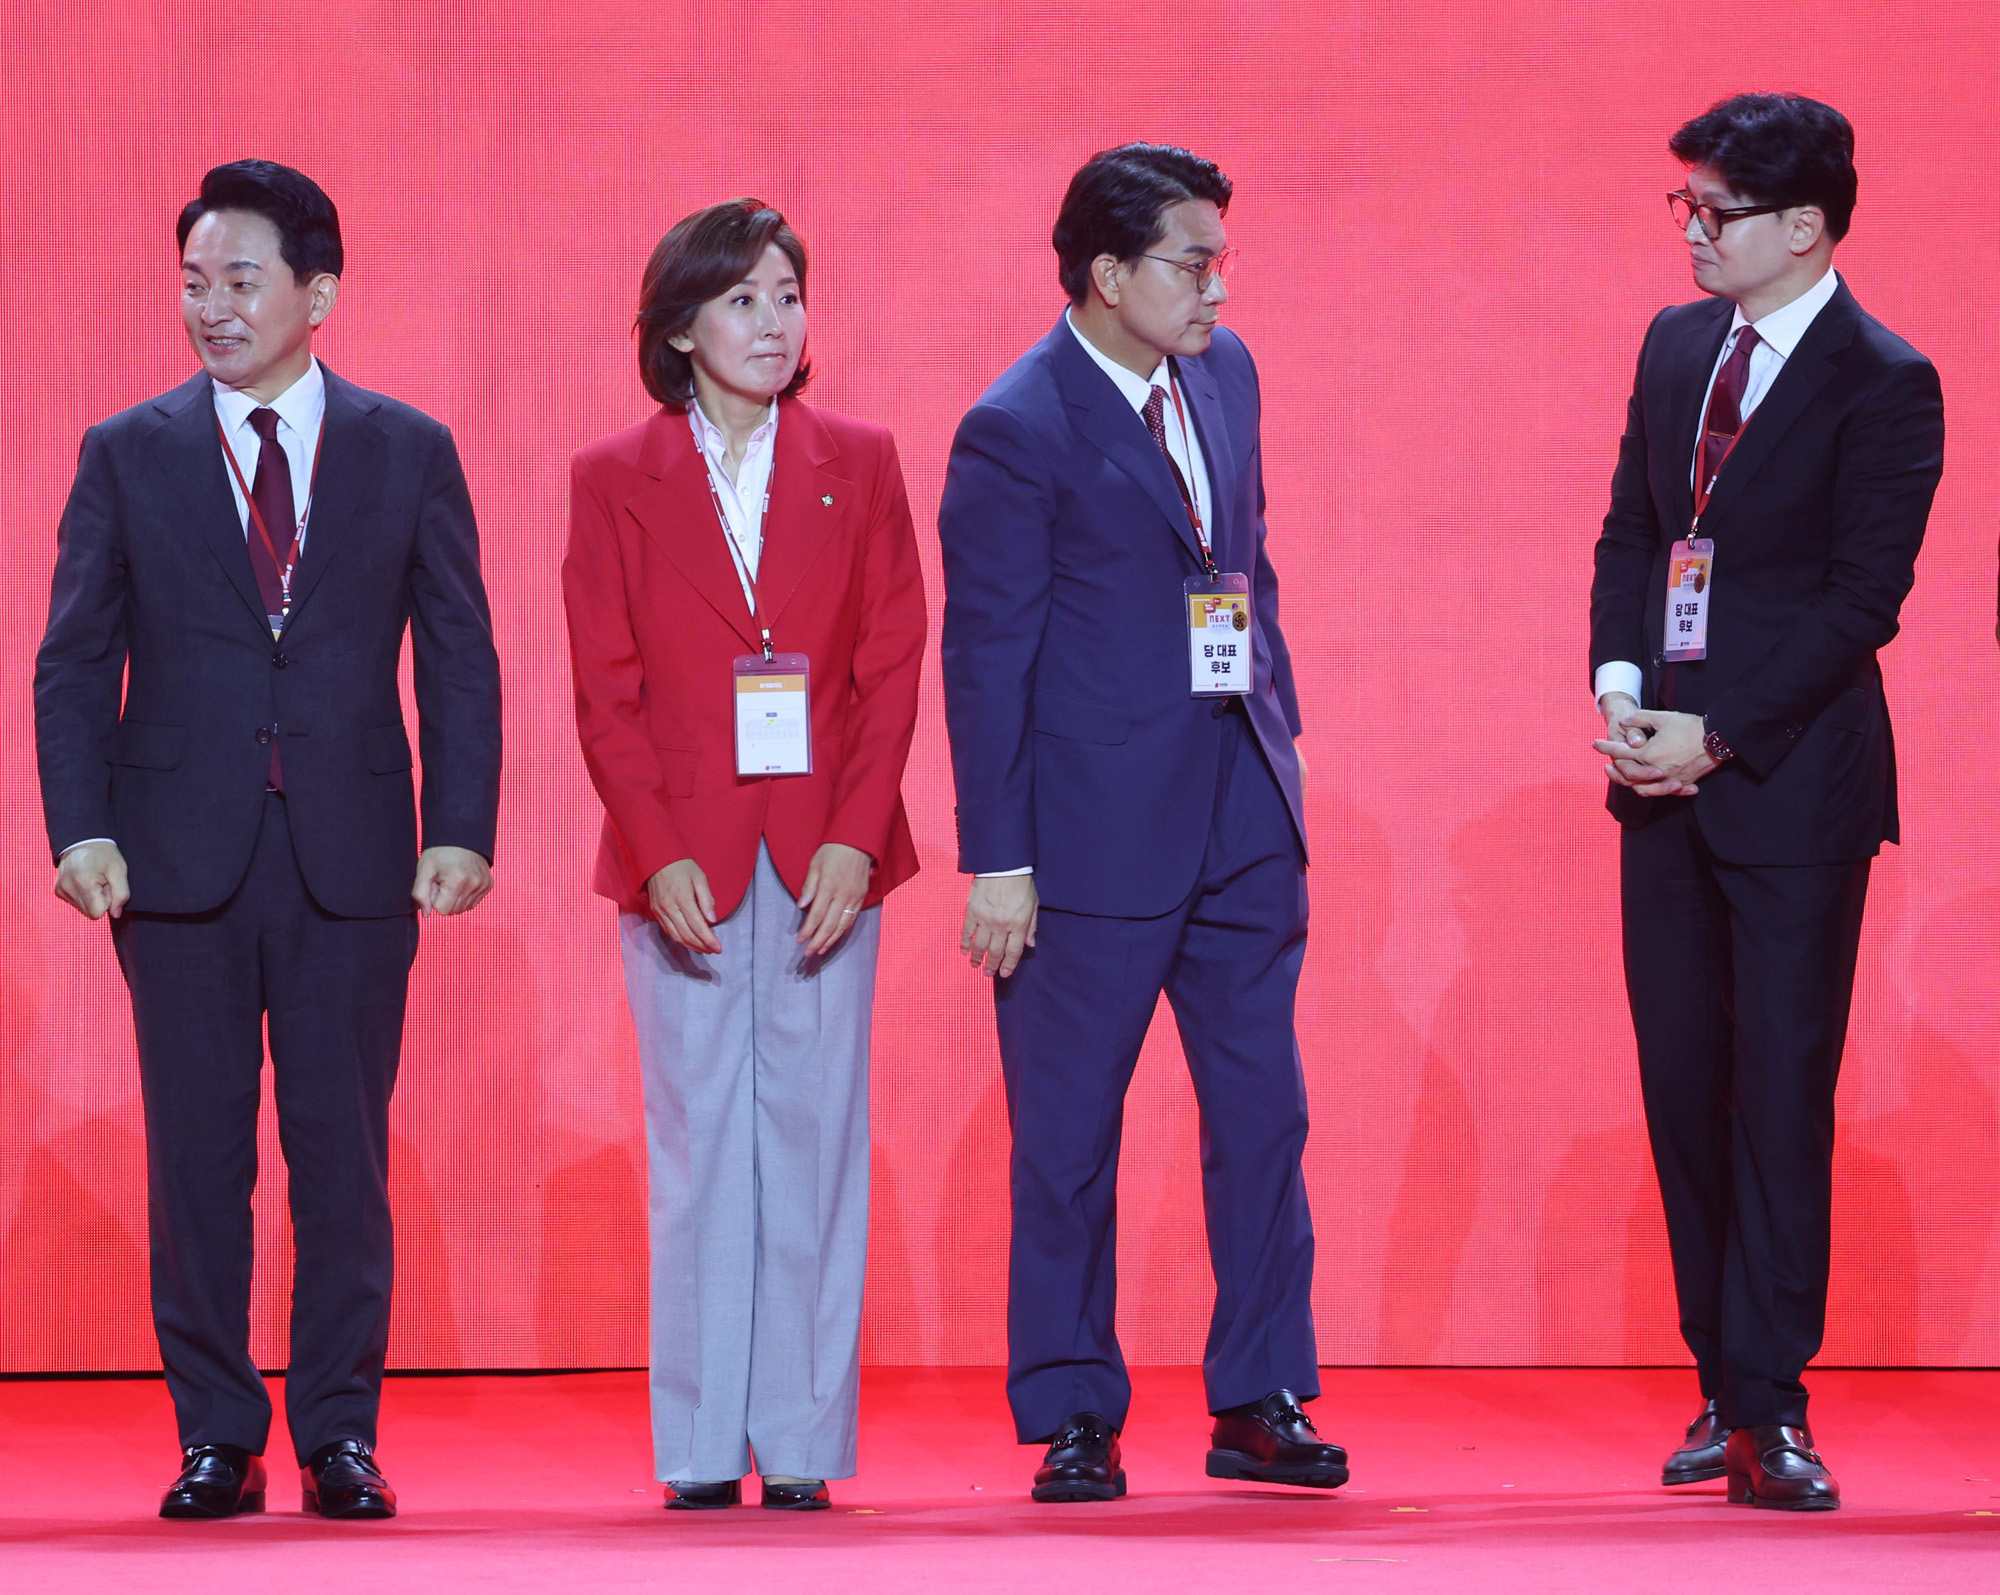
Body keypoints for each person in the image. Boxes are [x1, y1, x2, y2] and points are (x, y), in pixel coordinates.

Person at [33, 160, 502, 1520]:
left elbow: (459, 658)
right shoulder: (127, 452)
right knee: (198, 1161)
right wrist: (81, 827)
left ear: (319, 293)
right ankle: (216, 1435)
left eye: (240, 279)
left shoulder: (408, 449)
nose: (211, 308)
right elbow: (75, 662)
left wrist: (461, 826)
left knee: (341, 1155)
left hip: (354, 856)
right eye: (193, 283)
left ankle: (338, 1432)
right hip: (174, 860)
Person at [938, 143, 1344, 1502]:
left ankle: (1261, 1394)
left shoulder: (1226, 376)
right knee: (1068, 1140)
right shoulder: (1017, 426)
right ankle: (1073, 1407)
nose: (1219, 287)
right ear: (1108, 275)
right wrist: (1000, 860)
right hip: (1088, 843)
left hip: (1240, 815)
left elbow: (1248, 570)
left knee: (1265, 1119)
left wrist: (1281, 737)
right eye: (1194, 262)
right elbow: (986, 660)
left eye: (1222, 260)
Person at [1589, 94, 1944, 1511]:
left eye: (1716, 211)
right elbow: (1634, 529)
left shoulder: (1885, 378)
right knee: (1684, 1087)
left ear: (1804, 226)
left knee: (1780, 1093)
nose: (1692, 232)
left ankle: (1774, 1404)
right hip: (1658, 781)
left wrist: (1721, 734)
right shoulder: (1678, 345)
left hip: (1792, 790)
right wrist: (1623, 692)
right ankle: (1722, 1386)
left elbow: (1866, 600)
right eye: (1683, 204)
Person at [562, 199, 926, 1512]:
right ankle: (705, 1446)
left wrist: (854, 838)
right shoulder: (614, 477)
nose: (774, 324)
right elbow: (604, 689)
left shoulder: (860, 461)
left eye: (788, 296)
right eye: (742, 301)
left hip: (828, 854)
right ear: (679, 328)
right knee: (700, 1148)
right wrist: (654, 849)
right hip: (682, 863)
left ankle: (806, 1441)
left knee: (818, 1143)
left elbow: (892, 664)